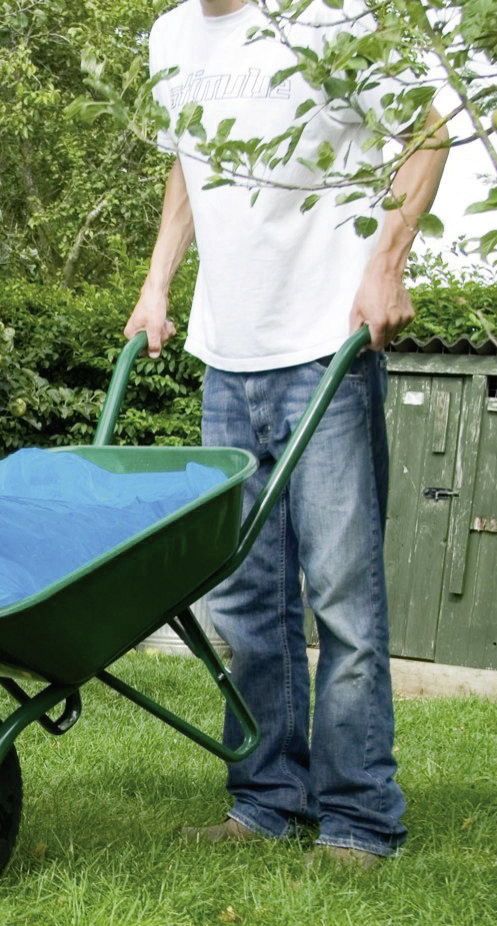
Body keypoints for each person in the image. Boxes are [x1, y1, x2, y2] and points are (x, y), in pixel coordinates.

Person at [123, 0, 447, 868]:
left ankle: (359, 817)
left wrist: (386, 266)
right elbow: (189, 166)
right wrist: (158, 281)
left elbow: (430, 130)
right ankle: (266, 797)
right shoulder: (171, 36)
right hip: (228, 355)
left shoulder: (333, 15)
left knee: (341, 593)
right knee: (248, 600)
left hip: (323, 348)